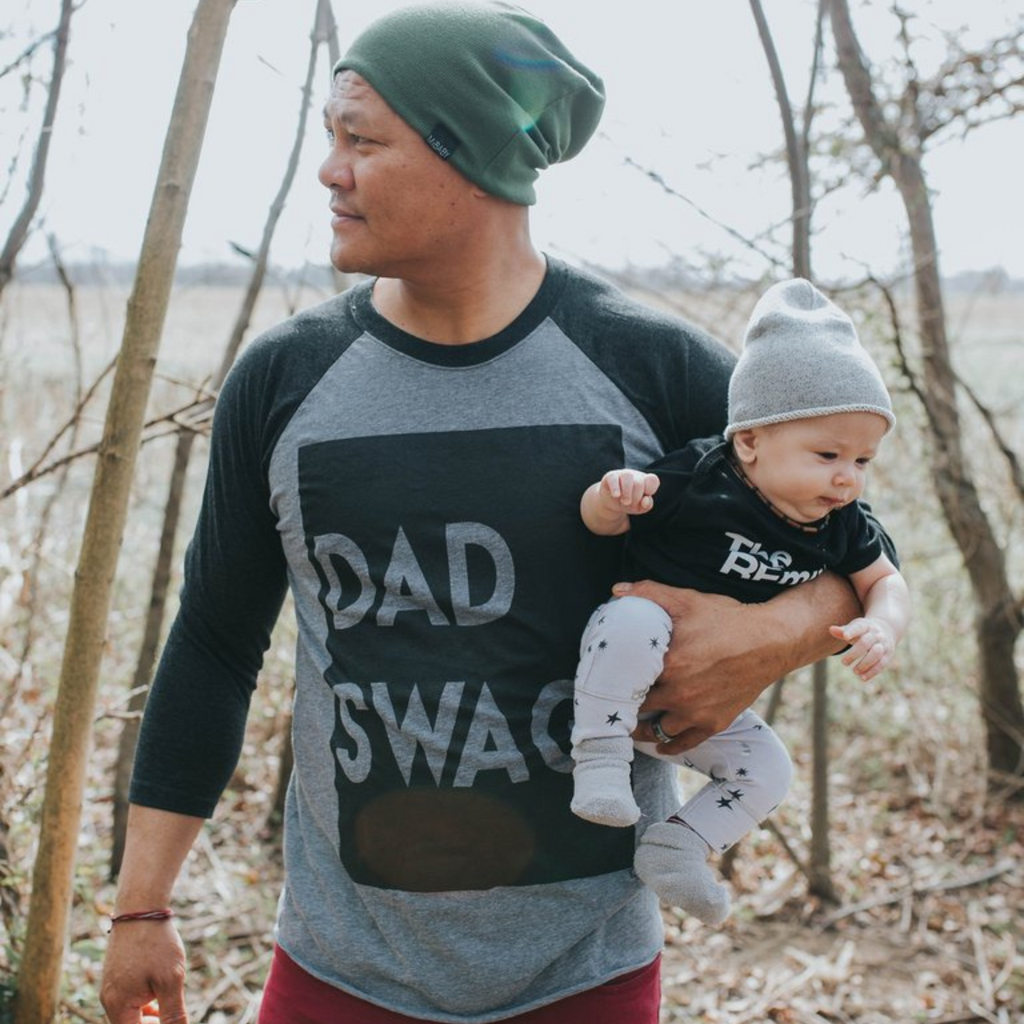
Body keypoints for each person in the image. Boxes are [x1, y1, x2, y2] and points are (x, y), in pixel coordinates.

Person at [100, 4, 886, 1022]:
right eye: (330, 139)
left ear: (468, 157)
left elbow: (854, 545)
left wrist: (771, 635)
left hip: (586, 967)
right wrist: (139, 909)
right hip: (341, 965)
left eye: (361, 140)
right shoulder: (285, 380)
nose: (330, 171)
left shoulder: (657, 370)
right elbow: (212, 643)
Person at [569, 278, 911, 926]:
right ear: (750, 441)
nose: (848, 477)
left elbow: (884, 582)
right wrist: (612, 499)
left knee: (769, 769)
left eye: (864, 459)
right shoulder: (701, 477)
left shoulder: (841, 522)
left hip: (696, 702)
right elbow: (599, 526)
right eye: (829, 453)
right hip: (621, 659)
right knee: (635, 616)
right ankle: (600, 766)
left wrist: (884, 628)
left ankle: (678, 849)